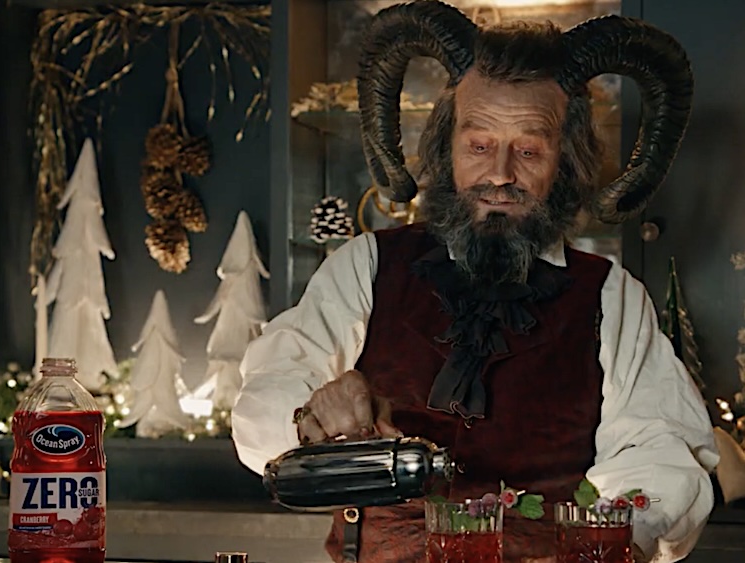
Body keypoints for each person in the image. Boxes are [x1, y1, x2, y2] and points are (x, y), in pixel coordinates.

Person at [231, 2, 718, 562]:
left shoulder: (612, 297)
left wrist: (609, 539)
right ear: (447, 146)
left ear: (566, 159)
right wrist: (309, 417)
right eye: (479, 145)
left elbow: (660, 450)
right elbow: (264, 406)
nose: (501, 174)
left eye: (529, 150)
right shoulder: (366, 266)